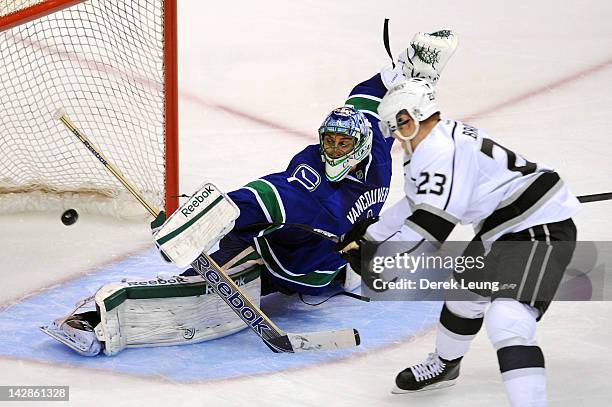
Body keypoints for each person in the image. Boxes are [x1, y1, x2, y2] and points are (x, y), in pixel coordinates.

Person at [41, 31, 460, 357]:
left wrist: (409, 75)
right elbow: (252, 200)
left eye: (342, 145)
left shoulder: (379, 149)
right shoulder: (310, 183)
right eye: (328, 141)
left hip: (309, 268)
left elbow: (371, 98)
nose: (332, 150)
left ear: (364, 145)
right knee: (201, 283)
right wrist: (189, 226)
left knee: (321, 263)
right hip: (283, 255)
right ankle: (91, 319)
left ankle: (332, 270)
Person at [337, 77, 581, 406]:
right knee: (464, 293)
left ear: (408, 119)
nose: (394, 136)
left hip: (539, 227)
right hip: (504, 227)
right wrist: (372, 236)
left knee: (508, 319)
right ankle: (445, 365)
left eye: (395, 128)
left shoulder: (438, 152)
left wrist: (382, 265)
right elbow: (414, 203)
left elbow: (430, 230)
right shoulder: (432, 141)